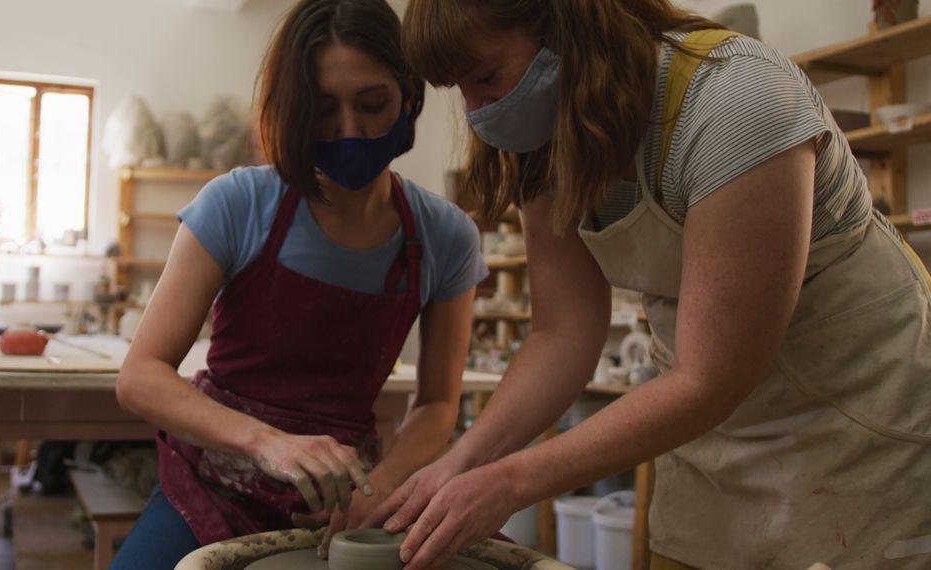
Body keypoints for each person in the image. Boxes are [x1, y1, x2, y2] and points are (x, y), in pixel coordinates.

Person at [365, 1, 931, 569]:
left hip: (858, 416)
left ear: (569, 28)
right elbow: (562, 335)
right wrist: (458, 463)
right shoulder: (551, 140)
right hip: (710, 432)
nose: (476, 110)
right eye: (460, 89)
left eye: (485, 78)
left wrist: (513, 480)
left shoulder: (737, 99)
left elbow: (711, 378)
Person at [111, 0, 488, 567]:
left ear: (410, 93)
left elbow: (437, 405)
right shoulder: (237, 203)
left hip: (343, 499)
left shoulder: (444, 236)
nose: (351, 130)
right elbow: (140, 377)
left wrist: (380, 487)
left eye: (372, 103)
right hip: (213, 485)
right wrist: (266, 441)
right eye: (323, 109)